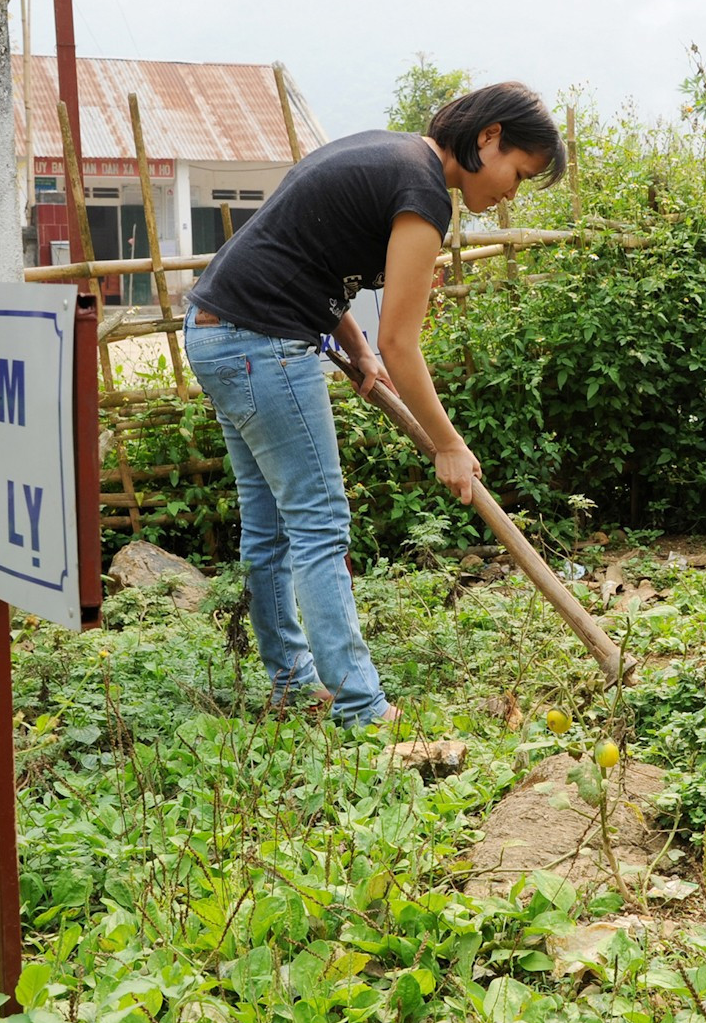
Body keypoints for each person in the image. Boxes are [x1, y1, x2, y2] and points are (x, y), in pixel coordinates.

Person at [183, 82, 564, 728]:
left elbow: (313, 263)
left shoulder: (393, 157)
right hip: (261, 342)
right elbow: (402, 343)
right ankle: (361, 710)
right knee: (319, 524)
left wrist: (355, 347)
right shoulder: (422, 191)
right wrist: (448, 444)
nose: (511, 195)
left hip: (217, 333)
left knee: (272, 527)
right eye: (519, 174)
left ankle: (291, 684)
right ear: (490, 137)